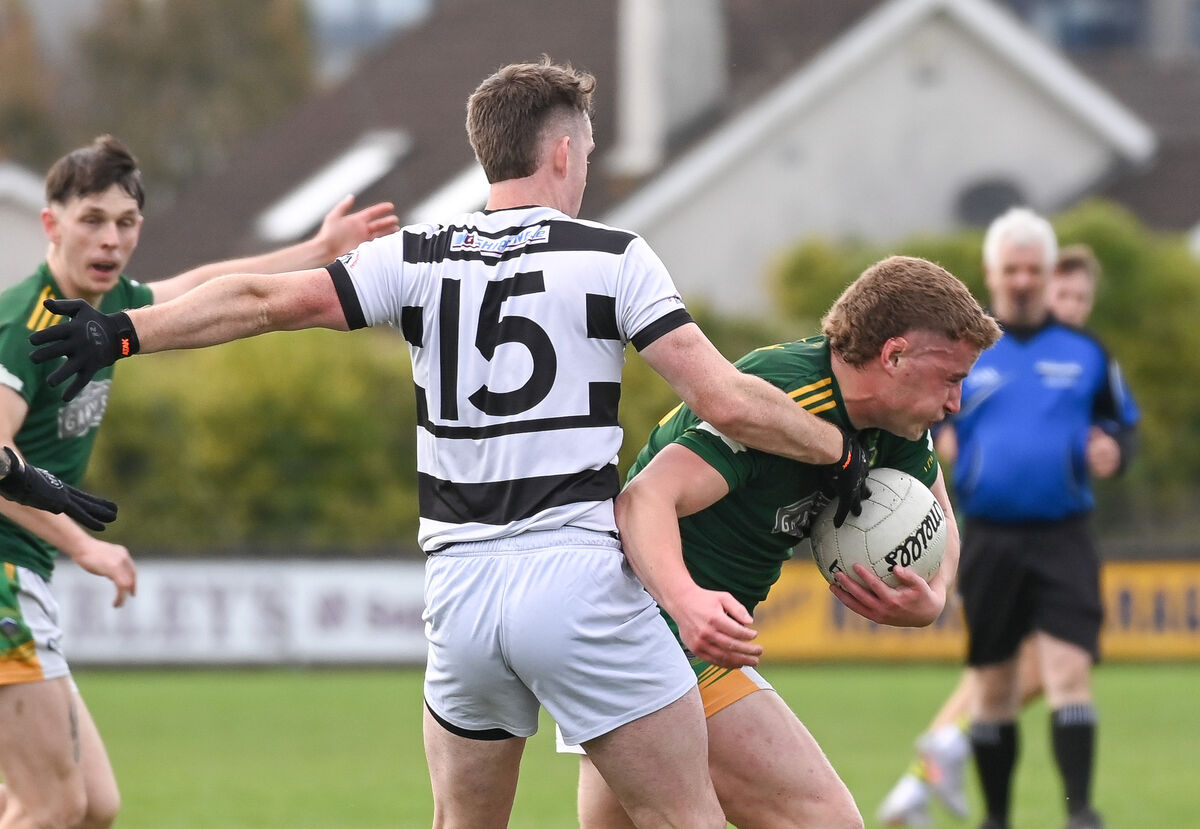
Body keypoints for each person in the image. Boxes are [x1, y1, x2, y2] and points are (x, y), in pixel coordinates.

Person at [26, 60, 876, 829]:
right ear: (561, 153)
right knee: (684, 817)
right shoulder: (613, 255)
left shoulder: (418, 257)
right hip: (574, 579)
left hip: (461, 597)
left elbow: (257, 300)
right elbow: (724, 398)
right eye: (583, 150)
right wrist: (833, 448)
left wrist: (124, 332)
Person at [0, 134, 399, 829]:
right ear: (50, 224)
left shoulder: (108, 306)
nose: (110, 239)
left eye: (126, 224)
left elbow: (199, 287)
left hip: (23, 575)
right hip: (4, 578)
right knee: (54, 803)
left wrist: (313, 251)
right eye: (92, 219)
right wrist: (87, 547)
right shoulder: (24, 323)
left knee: (94, 805)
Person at [551, 255, 1001, 828]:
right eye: (952, 379)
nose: (956, 403)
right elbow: (643, 500)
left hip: (636, 637)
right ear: (894, 356)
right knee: (825, 820)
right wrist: (687, 602)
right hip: (644, 627)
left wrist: (935, 594)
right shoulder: (784, 397)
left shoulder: (894, 425)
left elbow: (937, 504)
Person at [877, 239, 1138, 828]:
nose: (1067, 303)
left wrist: (1113, 452)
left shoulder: (1086, 357)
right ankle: (950, 782)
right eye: (1060, 290)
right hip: (990, 536)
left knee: (1062, 672)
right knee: (996, 680)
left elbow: (1121, 430)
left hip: (1064, 535)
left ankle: (1077, 812)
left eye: (1078, 295)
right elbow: (927, 417)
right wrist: (939, 440)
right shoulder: (975, 353)